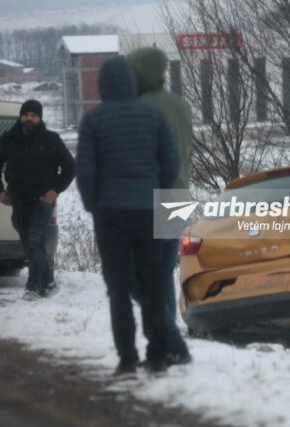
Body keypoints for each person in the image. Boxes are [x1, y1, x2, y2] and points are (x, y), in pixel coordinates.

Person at [76, 56, 179, 376]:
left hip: (110, 213)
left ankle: (128, 359)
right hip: (148, 210)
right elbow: (171, 162)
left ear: (103, 85)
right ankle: (158, 357)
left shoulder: (93, 120)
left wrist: (93, 204)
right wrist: (158, 193)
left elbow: (86, 169)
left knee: (118, 288)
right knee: (153, 284)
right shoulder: (154, 115)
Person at [128, 47, 193, 366]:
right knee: (162, 274)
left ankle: (172, 342)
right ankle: (168, 345)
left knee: (141, 280)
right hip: (180, 196)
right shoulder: (181, 105)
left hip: (151, 199)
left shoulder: (139, 107)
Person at [0, 100, 74, 301]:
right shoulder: (9, 138)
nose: (29, 119)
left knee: (36, 242)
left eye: (33, 115)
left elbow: (70, 166)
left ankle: (32, 288)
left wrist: (55, 190)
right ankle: (48, 282)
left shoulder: (51, 140)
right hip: (18, 201)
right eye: (26, 115)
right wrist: (0, 191)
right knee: (29, 244)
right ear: (21, 117)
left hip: (42, 201)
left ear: (39, 118)